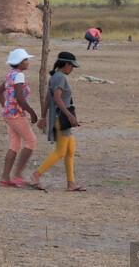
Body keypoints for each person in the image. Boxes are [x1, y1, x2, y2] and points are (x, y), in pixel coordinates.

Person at [30, 51, 85, 192]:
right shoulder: (60, 78)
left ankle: (71, 183)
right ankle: (36, 175)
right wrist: (70, 116)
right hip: (62, 119)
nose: (72, 69)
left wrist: (43, 117)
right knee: (60, 152)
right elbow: (57, 98)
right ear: (66, 64)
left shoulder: (54, 77)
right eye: (71, 66)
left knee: (70, 150)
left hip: (58, 118)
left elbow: (48, 98)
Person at [0, 48, 38, 187]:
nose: (27, 62)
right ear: (19, 62)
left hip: (8, 114)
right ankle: (17, 174)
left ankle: (5, 178)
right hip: (16, 114)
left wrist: (5, 106)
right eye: (25, 60)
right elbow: (20, 98)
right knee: (31, 142)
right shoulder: (19, 75)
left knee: (14, 145)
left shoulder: (10, 74)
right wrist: (32, 112)